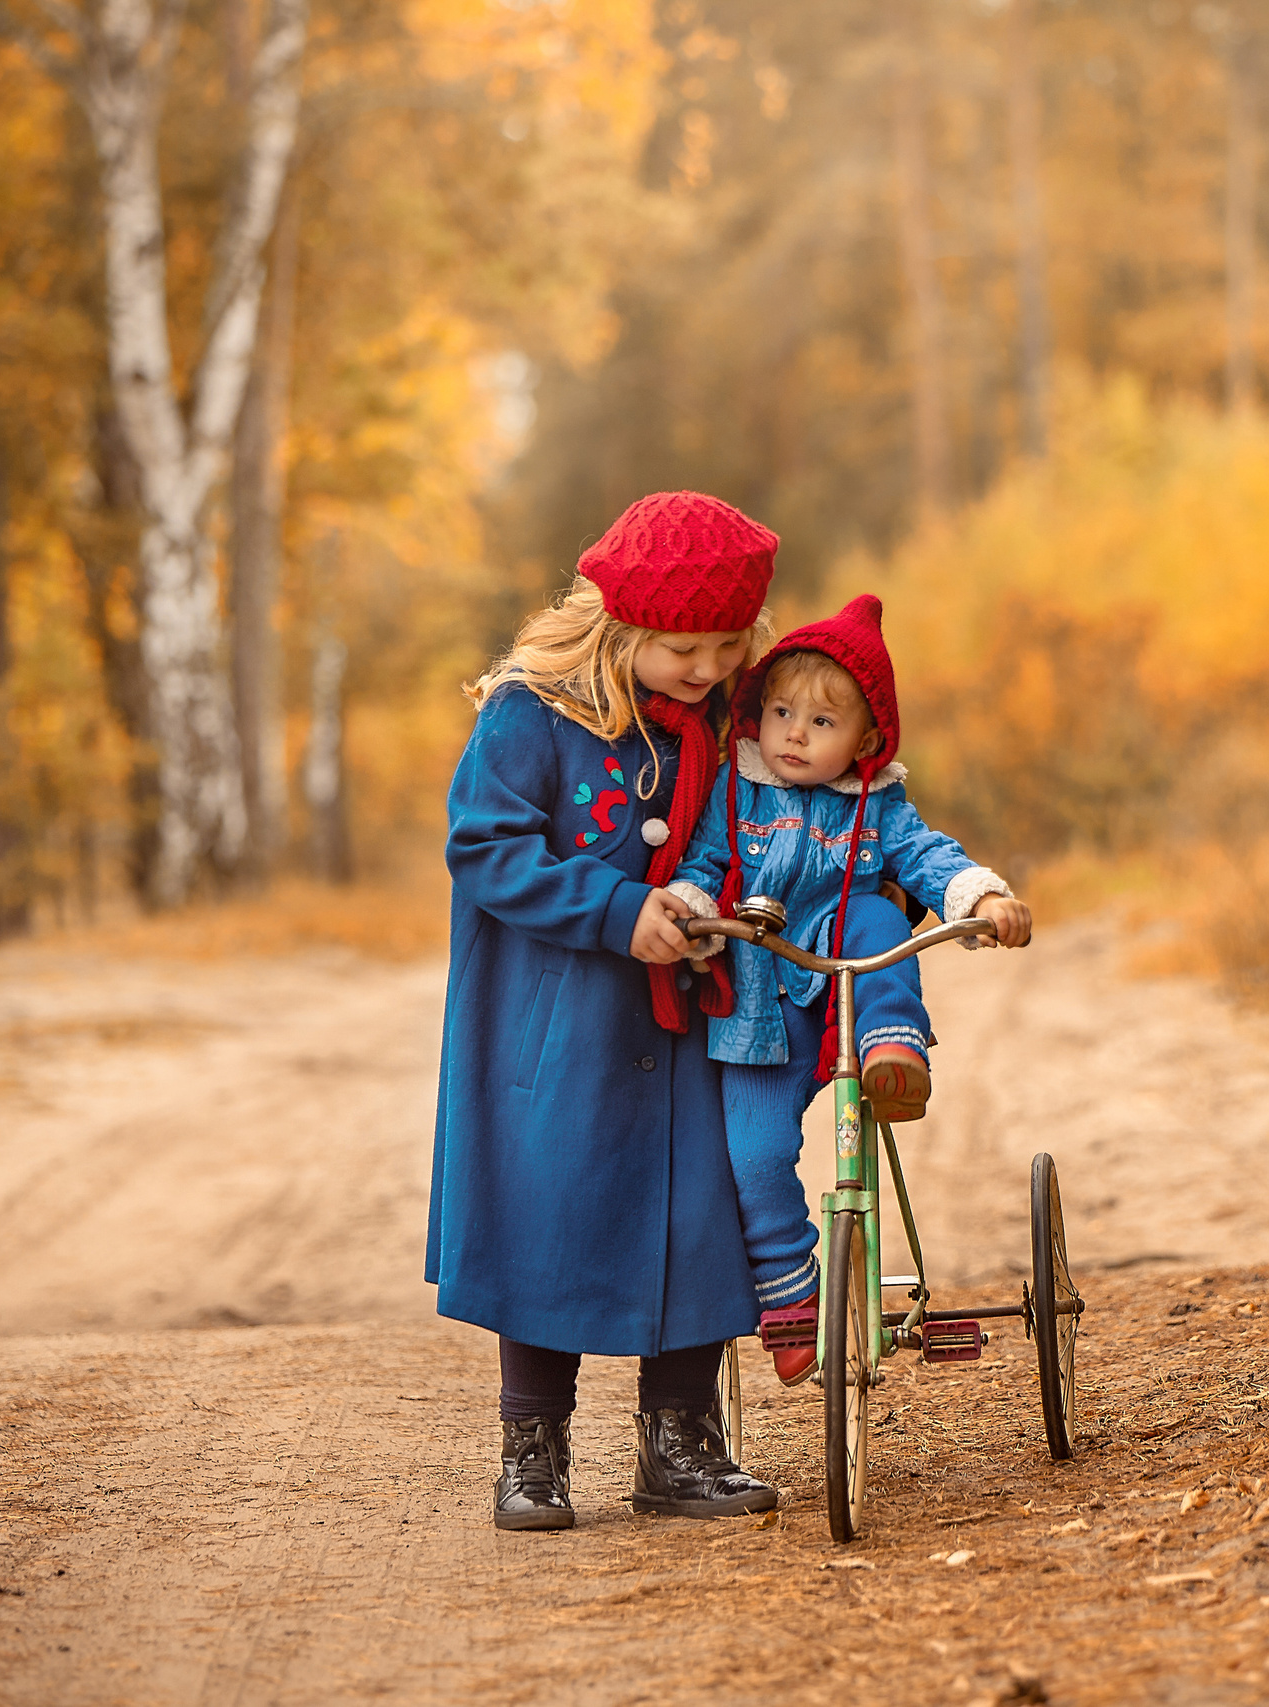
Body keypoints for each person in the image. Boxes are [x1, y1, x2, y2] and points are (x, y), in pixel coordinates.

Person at [427, 490, 785, 1533]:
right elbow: (484, 846)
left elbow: (797, 794)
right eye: (686, 647)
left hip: (692, 1017)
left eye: (729, 645)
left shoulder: (729, 718)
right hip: (559, 1019)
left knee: (699, 1209)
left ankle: (681, 1440)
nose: (709, 667)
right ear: (619, 624)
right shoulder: (532, 713)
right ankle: (532, 1449)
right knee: (550, 1212)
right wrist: (618, 909)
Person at [668, 595, 1034, 1384]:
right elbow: (700, 867)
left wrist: (979, 898)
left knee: (869, 910)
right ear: (758, 715)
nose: (795, 732)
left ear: (866, 739)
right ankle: (791, 1288)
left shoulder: (879, 806)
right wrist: (690, 913)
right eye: (781, 712)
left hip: (849, 999)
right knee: (754, 1155)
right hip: (760, 1008)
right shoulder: (737, 789)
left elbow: (929, 856)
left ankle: (894, 1050)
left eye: (822, 723)